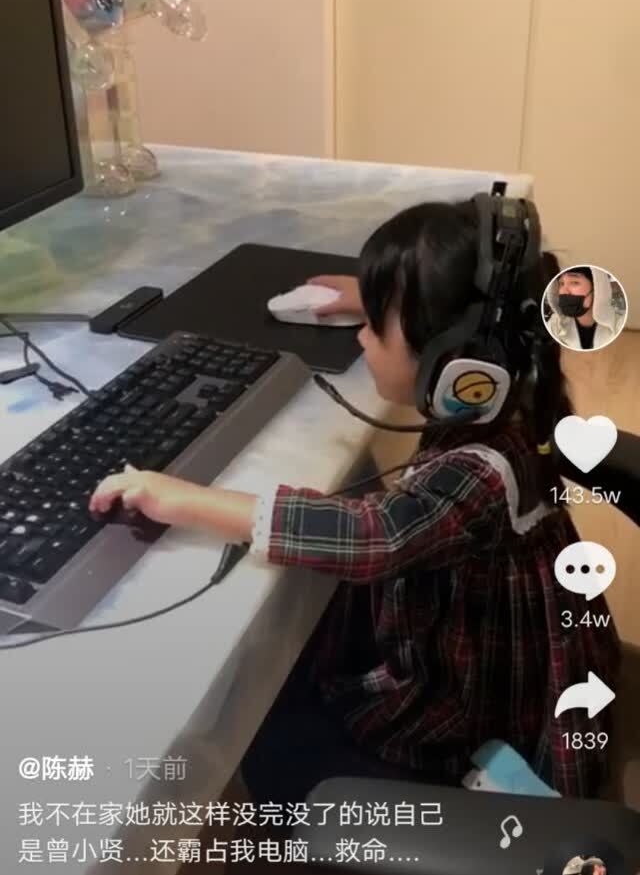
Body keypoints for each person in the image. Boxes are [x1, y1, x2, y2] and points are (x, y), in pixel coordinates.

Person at [90, 200, 620, 803]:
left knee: (266, 742)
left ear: (453, 363)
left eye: (377, 326)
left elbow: (375, 536)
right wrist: (382, 299)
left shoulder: (481, 474)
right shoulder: (506, 393)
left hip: (473, 708)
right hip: (482, 639)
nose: (363, 337)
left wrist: (186, 500)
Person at [544, 266, 625, 351]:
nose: (564, 291)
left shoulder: (619, 326)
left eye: (574, 282)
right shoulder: (554, 325)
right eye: (561, 283)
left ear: (596, 288)